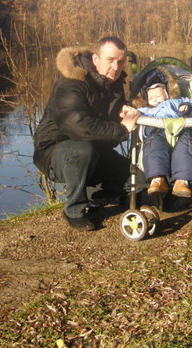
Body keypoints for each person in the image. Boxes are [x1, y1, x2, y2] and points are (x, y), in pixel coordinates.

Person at [33, 37, 140, 231]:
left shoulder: (114, 83)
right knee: (82, 150)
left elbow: (106, 123)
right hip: (54, 150)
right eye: (110, 60)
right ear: (95, 59)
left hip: (93, 150)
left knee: (135, 179)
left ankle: (92, 192)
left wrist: (125, 113)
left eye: (120, 61)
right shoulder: (71, 82)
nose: (115, 67)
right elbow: (78, 126)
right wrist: (122, 129)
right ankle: (74, 210)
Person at [136, 70, 192, 198]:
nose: (155, 100)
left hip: (181, 132)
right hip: (157, 133)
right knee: (154, 145)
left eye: (159, 96)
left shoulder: (178, 102)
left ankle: (181, 181)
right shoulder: (146, 110)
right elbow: (135, 114)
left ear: (167, 94)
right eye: (151, 98)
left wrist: (187, 108)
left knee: (188, 142)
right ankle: (157, 179)